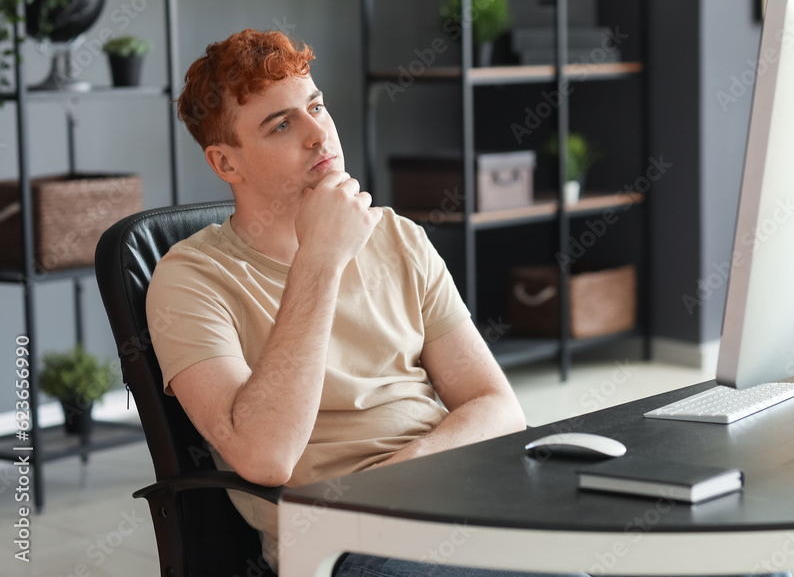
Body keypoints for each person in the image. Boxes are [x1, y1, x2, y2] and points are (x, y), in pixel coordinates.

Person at [147, 29, 592, 576]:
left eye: (316, 107)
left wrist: (403, 476)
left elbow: (497, 406)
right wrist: (321, 261)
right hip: (346, 544)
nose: (319, 135)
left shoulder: (397, 237)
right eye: (281, 124)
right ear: (226, 163)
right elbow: (265, 456)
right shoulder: (191, 279)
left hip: (452, 495)